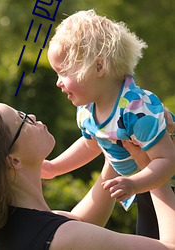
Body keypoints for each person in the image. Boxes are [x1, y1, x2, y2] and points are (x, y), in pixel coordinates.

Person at [0, 98, 175, 250]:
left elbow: (82, 221)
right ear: (13, 160)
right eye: (22, 120)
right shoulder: (63, 238)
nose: (31, 116)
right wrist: (151, 165)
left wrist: (115, 137)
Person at [44, 9, 175, 238]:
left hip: (164, 185)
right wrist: (55, 167)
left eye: (63, 72)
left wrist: (134, 184)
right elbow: (91, 145)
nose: (58, 83)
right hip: (145, 188)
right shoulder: (87, 110)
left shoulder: (136, 109)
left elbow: (167, 160)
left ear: (98, 67)